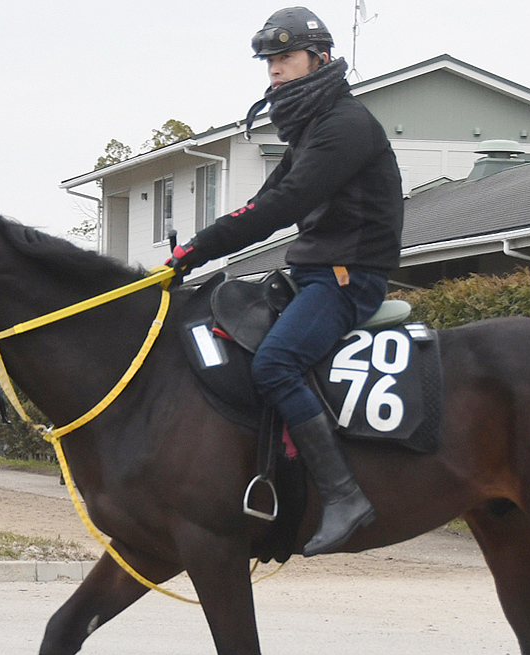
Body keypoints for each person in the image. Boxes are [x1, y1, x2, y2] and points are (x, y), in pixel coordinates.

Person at [166, 6, 404, 556]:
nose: (273, 69)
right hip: (312, 270)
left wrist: (202, 247)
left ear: (319, 60)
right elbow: (263, 201)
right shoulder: (313, 127)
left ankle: (344, 496)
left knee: (276, 364)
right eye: (268, 60)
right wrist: (191, 254)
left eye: (284, 57)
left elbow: (283, 205)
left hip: (349, 278)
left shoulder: (344, 127)